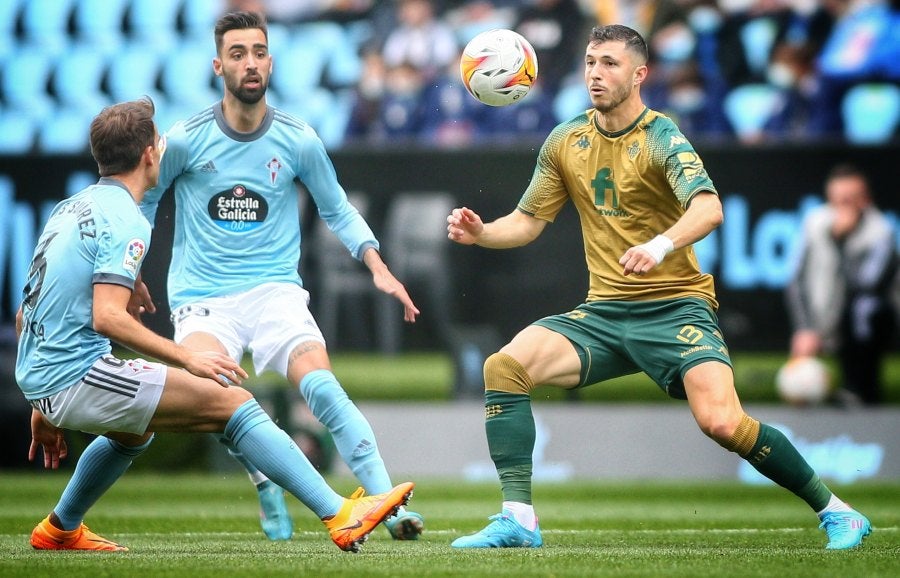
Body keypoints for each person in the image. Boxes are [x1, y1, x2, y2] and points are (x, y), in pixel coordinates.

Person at [446, 24, 872, 551]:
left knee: (721, 422)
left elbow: (709, 208)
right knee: (503, 367)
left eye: (610, 64)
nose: (596, 74)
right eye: (590, 62)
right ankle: (518, 519)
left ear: (640, 74)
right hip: (604, 314)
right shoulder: (566, 140)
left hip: (676, 309)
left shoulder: (662, 137)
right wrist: (482, 232)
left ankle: (838, 512)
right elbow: (529, 221)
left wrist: (660, 246)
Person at [15, 97, 414, 553]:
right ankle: (340, 513)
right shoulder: (127, 219)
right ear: (150, 154)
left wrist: (40, 401)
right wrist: (188, 357)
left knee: (134, 432)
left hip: (43, 372)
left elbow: (29, 307)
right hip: (74, 376)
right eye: (158, 140)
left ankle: (61, 527)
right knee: (234, 402)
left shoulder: (71, 206)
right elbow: (107, 317)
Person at [138, 11, 425, 541]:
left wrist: (378, 266)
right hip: (204, 298)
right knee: (216, 397)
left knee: (322, 386)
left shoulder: (298, 139)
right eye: (239, 53)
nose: (251, 62)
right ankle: (266, 484)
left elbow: (336, 208)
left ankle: (391, 505)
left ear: (271, 61)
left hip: (275, 291)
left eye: (259, 52)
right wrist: (129, 271)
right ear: (217, 65)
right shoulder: (184, 139)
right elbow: (146, 202)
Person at [786, 163, 898, 406]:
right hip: (820, 318)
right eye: (838, 200)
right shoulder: (814, 222)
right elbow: (797, 280)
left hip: (861, 330)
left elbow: (866, 285)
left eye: (850, 200)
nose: (843, 207)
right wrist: (804, 328)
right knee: (799, 381)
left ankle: (860, 390)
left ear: (865, 200)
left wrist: (841, 241)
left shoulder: (881, 232)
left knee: (865, 308)